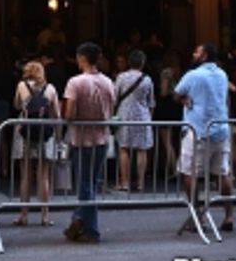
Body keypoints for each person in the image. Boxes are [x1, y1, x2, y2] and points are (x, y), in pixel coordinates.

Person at [174, 43, 234, 233]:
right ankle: (228, 215)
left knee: (189, 174)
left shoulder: (193, 75)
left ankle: (198, 216)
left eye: (197, 51)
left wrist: (185, 100)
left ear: (204, 55)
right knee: (222, 174)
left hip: (198, 130)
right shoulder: (222, 74)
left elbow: (176, 93)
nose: (193, 53)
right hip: (221, 129)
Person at [62, 41, 115, 244]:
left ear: (82, 58)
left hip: (81, 137)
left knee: (85, 185)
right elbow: (111, 107)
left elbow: (70, 112)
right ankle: (78, 220)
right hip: (102, 137)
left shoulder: (75, 82)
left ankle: (90, 229)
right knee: (92, 182)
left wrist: (70, 118)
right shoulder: (108, 82)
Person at [11, 60, 60, 227]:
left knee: (25, 175)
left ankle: (23, 215)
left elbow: (17, 105)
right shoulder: (51, 89)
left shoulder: (21, 86)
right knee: (43, 175)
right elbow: (56, 113)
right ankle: (45, 216)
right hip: (44, 133)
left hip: (24, 131)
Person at [112, 48, 154, 193]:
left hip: (124, 115)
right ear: (142, 63)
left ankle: (124, 182)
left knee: (124, 148)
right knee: (142, 150)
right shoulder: (147, 79)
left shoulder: (121, 77)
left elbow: (114, 97)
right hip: (142, 116)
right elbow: (151, 102)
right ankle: (141, 183)